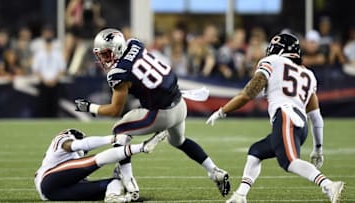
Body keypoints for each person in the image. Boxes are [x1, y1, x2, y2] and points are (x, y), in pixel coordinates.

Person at [74, 28, 230, 201]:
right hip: (179, 103)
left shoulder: (118, 73)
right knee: (178, 141)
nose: (103, 59)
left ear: (117, 49)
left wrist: (89, 108)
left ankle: (130, 184)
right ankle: (214, 171)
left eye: (106, 54)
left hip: (161, 113)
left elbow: (115, 110)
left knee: (119, 131)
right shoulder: (135, 44)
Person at [206, 33, 345, 203]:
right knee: (256, 151)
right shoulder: (309, 75)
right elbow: (316, 118)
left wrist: (222, 111)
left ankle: (328, 184)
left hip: (286, 116)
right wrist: (318, 148)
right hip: (301, 126)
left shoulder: (272, 61)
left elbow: (249, 93)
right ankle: (240, 195)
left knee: (289, 162)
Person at [34, 128, 166, 202]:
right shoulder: (62, 141)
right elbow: (78, 145)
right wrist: (111, 139)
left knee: (114, 182)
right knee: (98, 159)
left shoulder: (73, 158)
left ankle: (112, 197)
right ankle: (142, 147)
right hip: (48, 181)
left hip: (55, 194)